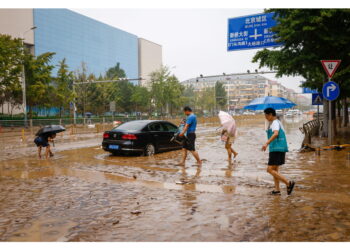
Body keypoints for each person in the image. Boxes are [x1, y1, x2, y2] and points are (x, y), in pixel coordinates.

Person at [262, 108, 295, 195]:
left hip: (276, 149)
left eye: (266, 116)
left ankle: (288, 183)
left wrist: (266, 143)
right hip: (279, 148)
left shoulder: (275, 123)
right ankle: (277, 190)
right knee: (275, 170)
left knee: (269, 169)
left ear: (270, 115)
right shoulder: (277, 122)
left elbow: (276, 133)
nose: (266, 118)